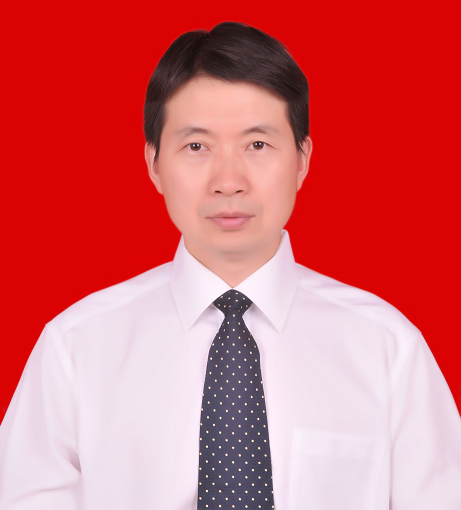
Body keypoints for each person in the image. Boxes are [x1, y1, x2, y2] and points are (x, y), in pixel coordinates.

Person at [0, 20, 460, 510]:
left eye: (257, 144)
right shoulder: (74, 349)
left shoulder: (388, 349)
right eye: (196, 146)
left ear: (302, 159)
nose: (228, 181)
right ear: (154, 164)